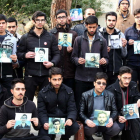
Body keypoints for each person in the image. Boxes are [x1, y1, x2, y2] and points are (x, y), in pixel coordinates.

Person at [17, 11, 60, 101]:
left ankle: (42, 116)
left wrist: (52, 63)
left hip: (46, 74)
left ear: (45, 21)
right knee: (27, 101)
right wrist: (25, 55)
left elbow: (56, 54)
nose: (40, 22)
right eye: (38, 20)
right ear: (33, 21)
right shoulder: (26, 37)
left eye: (42, 20)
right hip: (30, 75)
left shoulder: (51, 37)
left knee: (45, 101)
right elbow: (19, 54)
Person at [71, 15, 109, 109]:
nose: (92, 29)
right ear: (86, 26)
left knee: (94, 104)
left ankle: (91, 121)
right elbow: (73, 57)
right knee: (80, 102)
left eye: (94, 27)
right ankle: (80, 121)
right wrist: (77, 60)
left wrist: (104, 61)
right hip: (81, 77)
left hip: (95, 78)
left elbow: (107, 58)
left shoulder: (102, 41)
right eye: (90, 27)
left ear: (97, 26)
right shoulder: (78, 40)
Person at [38, 67, 79, 140]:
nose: (57, 82)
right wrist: (45, 122)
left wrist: (70, 119)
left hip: (64, 120)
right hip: (49, 120)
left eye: (59, 79)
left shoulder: (69, 91)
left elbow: (72, 108)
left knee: (75, 126)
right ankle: (51, 136)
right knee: (43, 137)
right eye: (54, 79)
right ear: (49, 79)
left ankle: (64, 138)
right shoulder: (42, 93)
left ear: (62, 79)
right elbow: (41, 111)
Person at [79, 72, 120, 140]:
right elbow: (81, 112)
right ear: (94, 83)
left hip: (106, 121)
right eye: (99, 83)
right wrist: (86, 120)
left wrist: (111, 118)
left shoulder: (110, 95)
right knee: (87, 130)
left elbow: (115, 111)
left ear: (106, 85)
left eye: (103, 84)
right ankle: (89, 137)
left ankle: (106, 136)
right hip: (92, 122)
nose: (101, 85)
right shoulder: (85, 95)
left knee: (116, 128)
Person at [106, 66, 140, 140]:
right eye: (124, 78)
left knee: (135, 119)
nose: (127, 81)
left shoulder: (133, 85)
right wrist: (118, 116)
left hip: (130, 112)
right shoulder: (111, 89)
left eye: (129, 78)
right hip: (118, 114)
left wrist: (139, 99)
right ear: (119, 77)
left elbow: (137, 97)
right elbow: (109, 108)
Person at [50, 9, 77, 90]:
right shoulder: (51, 34)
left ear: (67, 18)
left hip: (70, 71)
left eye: (63, 17)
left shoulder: (73, 34)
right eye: (59, 17)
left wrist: (72, 50)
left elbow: (78, 53)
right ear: (56, 19)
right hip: (56, 71)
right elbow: (47, 53)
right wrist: (55, 49)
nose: (61, 19)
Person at [99, 12, 127, 85]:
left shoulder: (120, 34)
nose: (111, 22)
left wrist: (124, 47)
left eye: (113, 20)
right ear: (105, 21)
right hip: (102, 70)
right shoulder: (99, 34)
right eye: (109, 20)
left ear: (116, 21)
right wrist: (104, 51)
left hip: (116, 70)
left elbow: (124, 55)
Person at [0, 14, 17, 97]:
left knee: (8, 99)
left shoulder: (13, 39)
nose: (1, 25)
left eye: (3, 23)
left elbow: (15, 56)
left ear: (6, 24)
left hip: (8, 74)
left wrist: (15, 60)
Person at [125, 8, 140, 91]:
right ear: (134, 17)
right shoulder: (128, 31)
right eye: (137, 17)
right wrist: (128, 43)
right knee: (132, 86)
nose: (139, 19)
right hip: (131, 63)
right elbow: (123, 47)